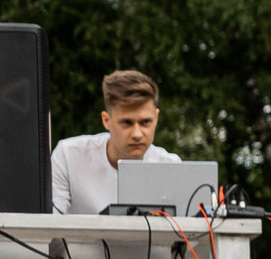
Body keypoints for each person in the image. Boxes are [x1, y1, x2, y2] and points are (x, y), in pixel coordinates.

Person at [50, 69, 179, 215]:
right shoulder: (69, 156)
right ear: (106, 120)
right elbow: (49, 221)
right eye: (126, 123)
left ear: (156, 118)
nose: (137, 134)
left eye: (145, 122)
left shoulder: (170, 166)